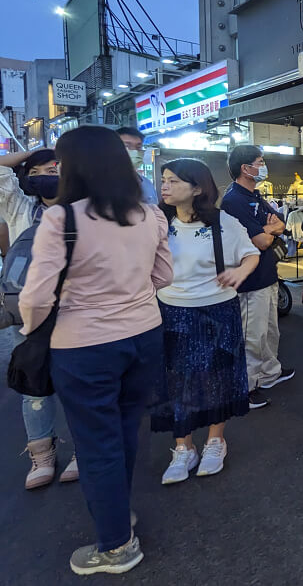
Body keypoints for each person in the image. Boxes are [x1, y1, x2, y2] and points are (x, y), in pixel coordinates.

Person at [19, 125, 173, 575]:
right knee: (125, 432)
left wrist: (35, 329)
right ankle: (118, 515)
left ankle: (116, 545)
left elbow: (35, 297)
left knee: (96, 443)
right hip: (144, 334)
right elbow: (163, 277)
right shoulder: (148, 216)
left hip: (84, 345)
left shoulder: (62, 219)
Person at [152, 159, 259, 484]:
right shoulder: (157, 221)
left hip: (217, 312)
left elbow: (251, 253)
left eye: (173, 181)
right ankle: (183, 446)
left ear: (197, 187)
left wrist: (240, 272)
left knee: (218, 378)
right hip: (170, 312)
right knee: (176, 381)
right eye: (164, 180)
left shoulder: (224, 222)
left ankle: (215, 441)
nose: (164, 186)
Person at [0, 147, 79, 489]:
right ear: (27, 179)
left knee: (78, 381)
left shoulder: (81, 210)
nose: (52, 174)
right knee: (34, 383)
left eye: (57, 168)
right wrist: (33, 152)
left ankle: (83, 450)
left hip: (75, 307)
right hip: (28, 311)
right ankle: (42, 453)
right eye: (44, 171)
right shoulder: (18, 207)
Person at [221, 145, 292, 411]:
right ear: (245, 168)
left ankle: (269, 372)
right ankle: (246, 386)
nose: (263, 166)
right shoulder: (233, 200)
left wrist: (270, 229)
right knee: (251, 335)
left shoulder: (254, 195)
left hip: (267, 275)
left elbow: (281, 224)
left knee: (269, 331)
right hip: (250, 280)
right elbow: (262, 241)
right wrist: (270, 229)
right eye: (260, 162)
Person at [116, 127, 157, 205]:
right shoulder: (103, 183)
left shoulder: (147, 183)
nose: (135, 151)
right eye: (126, 146)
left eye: (138, 147)